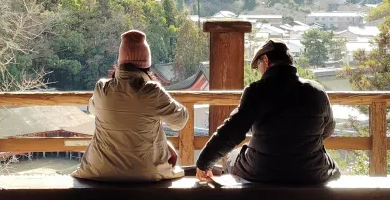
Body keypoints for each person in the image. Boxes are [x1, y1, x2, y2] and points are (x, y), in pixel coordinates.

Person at [196, 40, 339, 185]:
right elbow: (328, 129)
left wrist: (204, 163)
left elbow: (232, 131)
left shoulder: (257, 90)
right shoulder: (317, 90)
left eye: (258, 65)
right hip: (311, 171)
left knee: (232, 157)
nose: (259, 70)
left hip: (262, 170)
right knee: (334, 169)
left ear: (265, 60)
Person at [73, 30, 189, 182]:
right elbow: (179, 121)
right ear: (147, 64)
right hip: (146, 173)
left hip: (99, 171)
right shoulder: (152, 91)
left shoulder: (101, 88)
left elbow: (93, 109)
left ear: (119, 62)